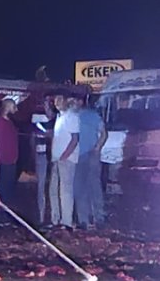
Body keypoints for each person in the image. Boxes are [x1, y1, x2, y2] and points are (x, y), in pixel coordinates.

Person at [72, 96, 107, 228]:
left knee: (93, 186)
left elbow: (103, 133)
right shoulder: (72, 116)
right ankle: (84, 219)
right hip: (78, 156)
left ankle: (98, 216)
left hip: (90, 154)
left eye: (74, 100)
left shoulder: (92, 115)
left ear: (80, 102)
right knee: (80, 188)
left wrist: (97, 148)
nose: (72, 103)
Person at [49, 92, 80, 229]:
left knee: (65, 190)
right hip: (56, 159)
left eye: (59, 99)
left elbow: (74, 139)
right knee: (53, 189)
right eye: (55, 100)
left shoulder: (72, 117)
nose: (56, 102)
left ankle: (66, 221)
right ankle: (55, 219)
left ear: (66, 101)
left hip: (66, 159)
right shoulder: (59, 117)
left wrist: (65, 156)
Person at [0, 98, 20, 226]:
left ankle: (3, 215)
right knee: (2, 190)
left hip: (10, 161)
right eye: (13, 107)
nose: (16, 110)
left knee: (7, 190)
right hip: (2, 162)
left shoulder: (9, 123)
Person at [31, 96, 55, 227]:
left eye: (49, 102)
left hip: (54, 155)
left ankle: (52, 216)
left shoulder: (57, 117)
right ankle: (41, 216)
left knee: (52, 186)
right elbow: (35, 135)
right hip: (41, 154)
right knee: (41, 186)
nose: (48, 104)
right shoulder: (37, 115)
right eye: (45, 102)